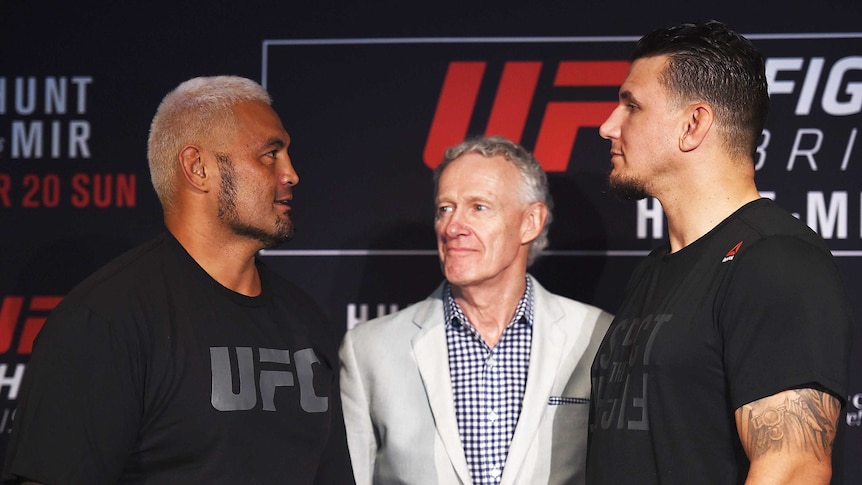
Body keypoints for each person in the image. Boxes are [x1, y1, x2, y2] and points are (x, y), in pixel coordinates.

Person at [2, 76, 354, 484]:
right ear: (198, 168)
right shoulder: (106, 321)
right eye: (270, 155)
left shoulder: (306, 322)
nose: (291, 174)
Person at [587, 20, 852, 484]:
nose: (608, 125)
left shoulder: (776, 262)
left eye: (632, 106)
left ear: (693, 125)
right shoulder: (656, 269)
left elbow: (794, 470)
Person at [339, 135, 613, 485]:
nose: (453, 227)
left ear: (530, 222)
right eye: (445, 208)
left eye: (478, 207)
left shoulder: (596, 335)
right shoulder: (369, 350)